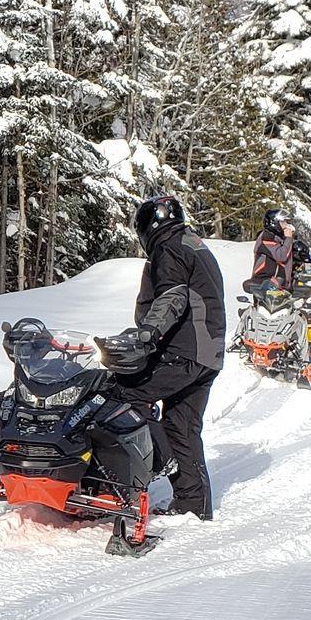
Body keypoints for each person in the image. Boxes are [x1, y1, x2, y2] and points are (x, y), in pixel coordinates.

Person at [97, 196, 225, 522]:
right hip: (207, 355)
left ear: (147, 226)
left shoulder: (168, 247)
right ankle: (195, 506)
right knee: (181, 427)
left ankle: (134, 474)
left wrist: (147, 335)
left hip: (183, 352)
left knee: (124, 397)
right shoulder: (193, 243)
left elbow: (172, 296)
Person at [246, 208, 311, 290]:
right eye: (283, 222)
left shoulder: (279, 238)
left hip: (280, 285)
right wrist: (288, 238)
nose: (286, 225)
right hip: (265, 284)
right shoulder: (266, 237)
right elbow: (281, 256)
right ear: (275, 222)